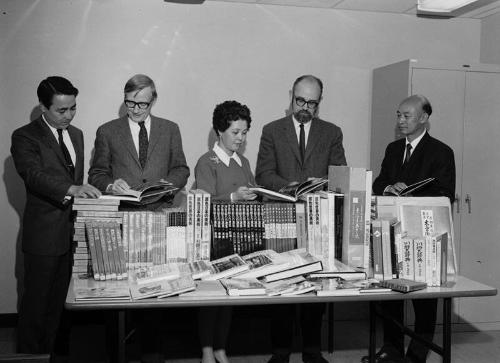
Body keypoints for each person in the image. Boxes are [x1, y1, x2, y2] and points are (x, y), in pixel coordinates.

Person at [255, 75, 346, 363]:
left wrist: (320, 186)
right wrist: (294, 189)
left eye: (312, 103)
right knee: (280, 285)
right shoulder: (272, 130)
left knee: (315, 285)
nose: (305, 107)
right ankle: (280, 352)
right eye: (300, 100)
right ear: (291, 96)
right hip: (282, 216)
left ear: (320, 103)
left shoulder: (332, 132)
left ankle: (311, 351)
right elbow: (264, 174)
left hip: (319, 219)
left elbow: (340, 173)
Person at [11, 76, 101, 360]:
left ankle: (55, 356)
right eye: (61, 110)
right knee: (35, 307)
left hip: (71, 235)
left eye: (73, 108)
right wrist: (71, 189)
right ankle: (29, 358)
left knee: (61, 307)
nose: (69, 115)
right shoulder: (24, 136)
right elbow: (33, 175)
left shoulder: (77, 134)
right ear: (42, 107)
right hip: (43, 236)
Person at [366, 94, 455, 363]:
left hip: (424, 236)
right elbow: (379, 181)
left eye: (407, 116)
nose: (400, 120)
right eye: (398, 115)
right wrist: (387, 188)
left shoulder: (441, 152)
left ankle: (417, 355)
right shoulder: (393, 149)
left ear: (424, 118)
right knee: (390, 294)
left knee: (424, 302)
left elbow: (445, 194)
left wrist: (413, 194)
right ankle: (391, 350)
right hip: (392, 234)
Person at [195, 100, 257, 363]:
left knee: (230, 295)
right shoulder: (206, 161)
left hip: (239, 236)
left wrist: (256, 194)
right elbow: (203, 201)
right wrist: (234, 197)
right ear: (220, 130)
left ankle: (221, 346)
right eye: (235, 132)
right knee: (211, 298)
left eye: (244, 133)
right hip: (212, 238)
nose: (240, 139)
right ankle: (207, 348)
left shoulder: (243, 162)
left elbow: (251, 189)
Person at [88, 74, 189, 207]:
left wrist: (167, 186)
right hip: (122, 211)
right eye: (130, 103)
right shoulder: (107, 131)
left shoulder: (170, 129)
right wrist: (111, 185)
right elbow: (96, 174)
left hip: (161, 209)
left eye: (142, 104)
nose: (135, 110)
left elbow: (180, 169)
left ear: (153, 100)